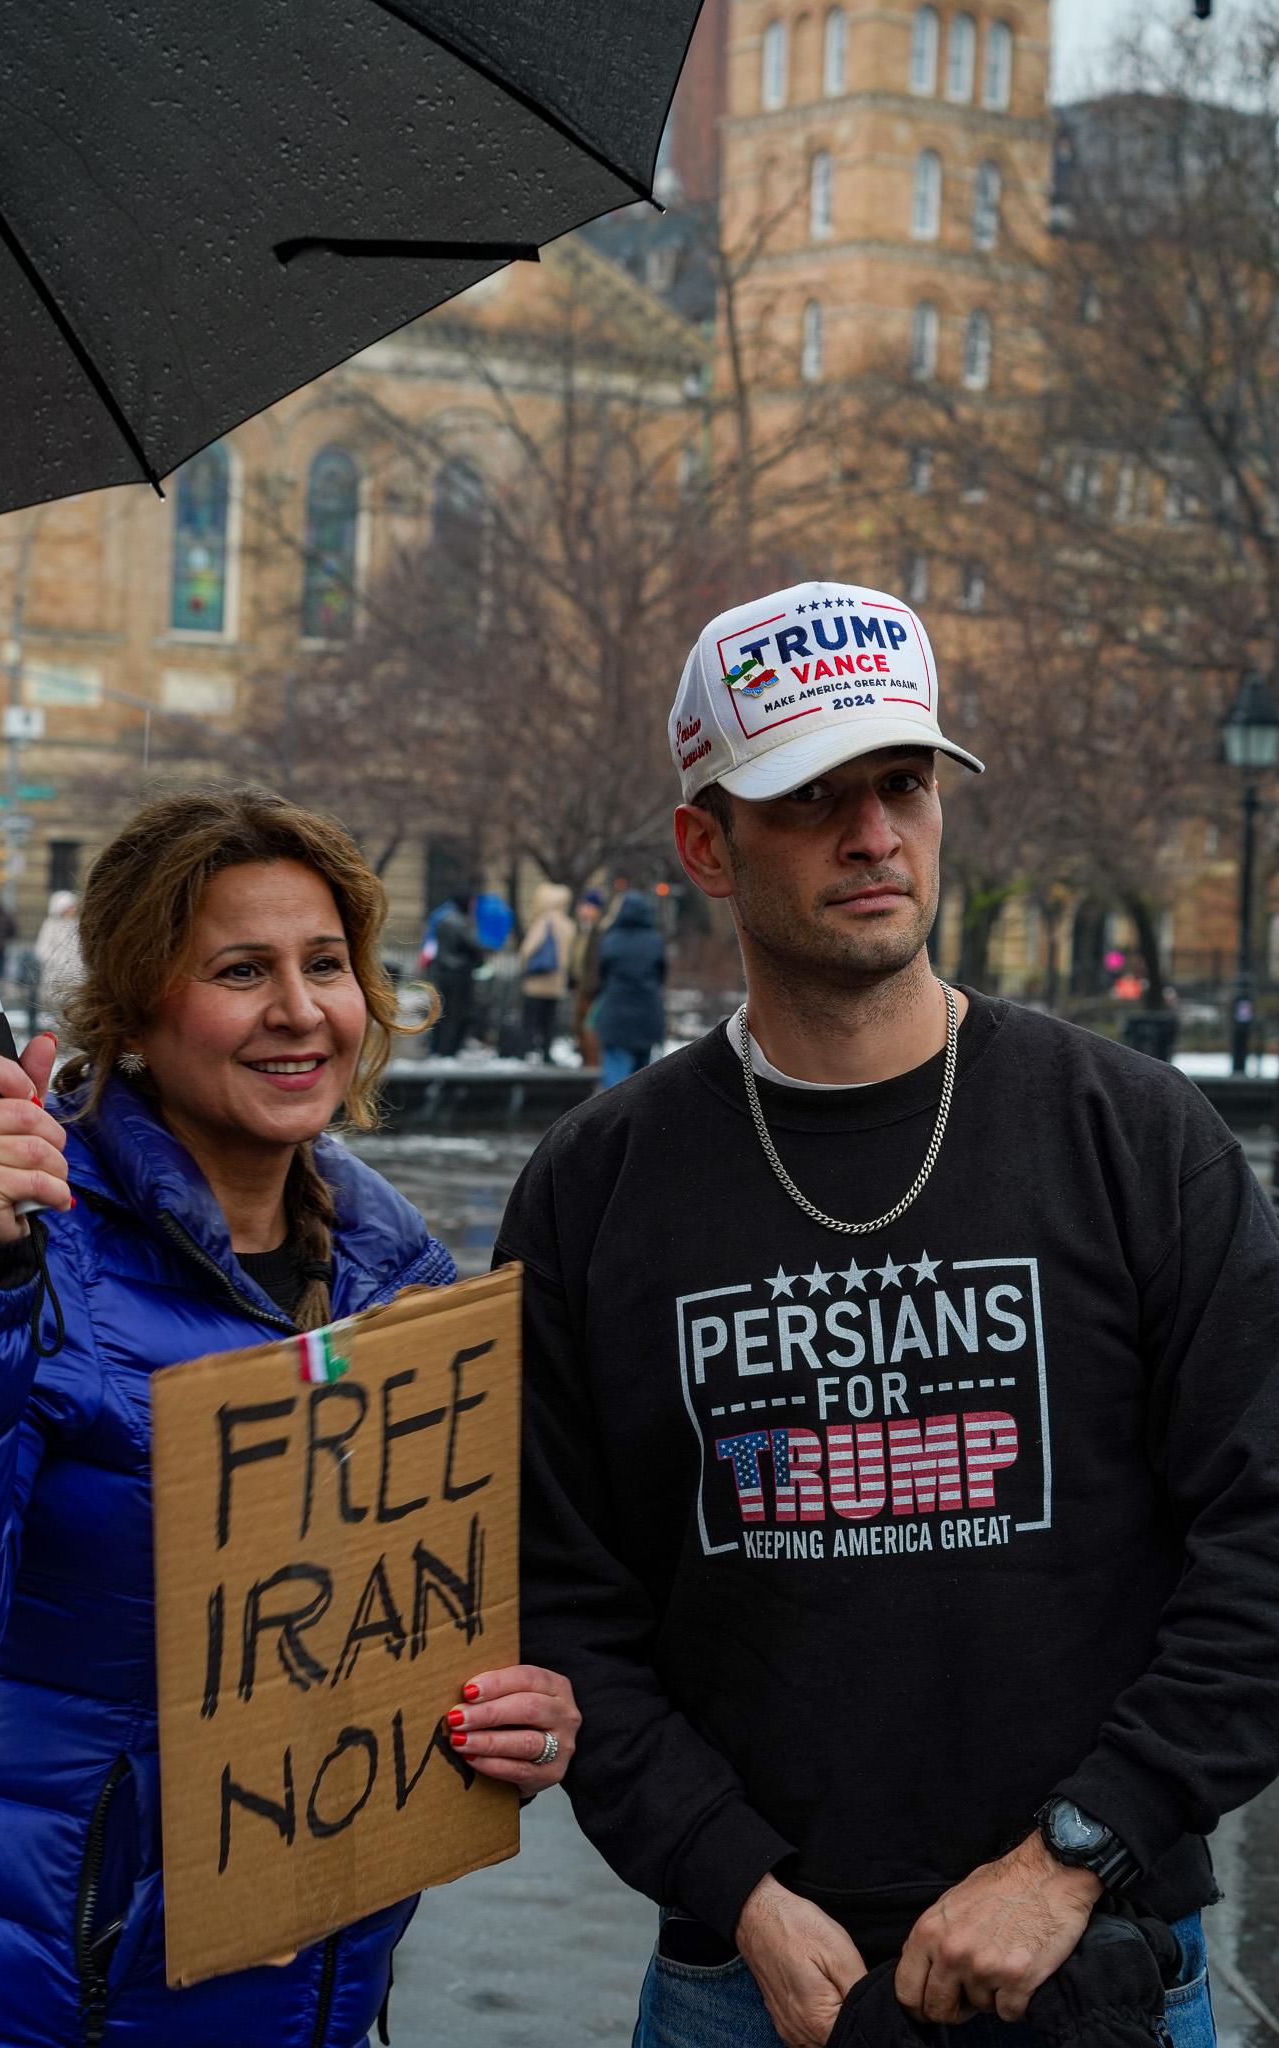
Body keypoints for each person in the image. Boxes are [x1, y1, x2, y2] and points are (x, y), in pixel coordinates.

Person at [497, 578, 1279, 2048]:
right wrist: (735, 1888)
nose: (874, 836)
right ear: (704, 843)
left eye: (904, 784)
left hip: (1097, 1963)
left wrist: (1074, 1854)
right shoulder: (600, 1183)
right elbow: (557, 1594)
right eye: (810, 799)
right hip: (752, 1983)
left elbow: (1265, 1531)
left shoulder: (1133, 1138)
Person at [0, 787, 580, 2048]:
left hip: (307, 2005)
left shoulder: (408, 1280)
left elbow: (426, 1630)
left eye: (326, 962)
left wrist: (517, 1718)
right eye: (240, 968)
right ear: (134, 1011)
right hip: (29, 2005)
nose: (298, 1008)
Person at [596, 890, 665, 1088]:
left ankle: (613, 1117)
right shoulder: (655, 942)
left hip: (616, 1016)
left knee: (614, 1083)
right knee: (641, 1081)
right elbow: (661, 975)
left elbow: (602, 974)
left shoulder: (610, 940)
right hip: (647, 1017)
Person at [518, 883, 576, 1062]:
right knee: (549, 1020)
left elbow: (528, 949)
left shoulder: (545, 921)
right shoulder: (568, 923)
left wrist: (523, 966)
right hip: (556, 980)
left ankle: (525, 1051)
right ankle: (546, 1052)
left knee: (530, 1018)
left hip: (537, 979)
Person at [430, 889, 485, 1057]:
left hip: (444, 973)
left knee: (443, 1012)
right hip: (458, 974)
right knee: (455, 1014)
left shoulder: (445, 919)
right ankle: (448, 1050)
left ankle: (438, 1048)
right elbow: (472, 947)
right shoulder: (460, 922)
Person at [568, 889, 606, 1068]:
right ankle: (585, 1062)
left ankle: (591, 1065)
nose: (583, 910)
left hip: (591, 988)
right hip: (579, 984)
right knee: (578, 1027)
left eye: (588, 906)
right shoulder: (582, 929)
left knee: (588, 1028)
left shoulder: (601, 932)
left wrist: (592, 986)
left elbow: (596, 963)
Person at [32, 885, 83, 1015]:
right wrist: (56, 960)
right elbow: (41, 949)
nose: (73, 909)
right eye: (69, 907)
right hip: (55, 972)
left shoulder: (76, 924)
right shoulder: (50, 925)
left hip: (74, 974)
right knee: (54, 1005)